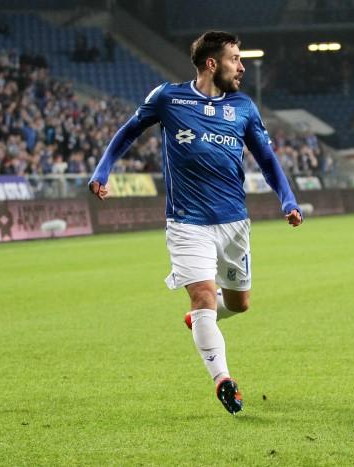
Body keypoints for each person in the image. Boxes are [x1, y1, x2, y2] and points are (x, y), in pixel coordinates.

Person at [88, 31, 303, 414]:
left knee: (239, 303)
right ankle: (223, 380)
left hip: (234, 223)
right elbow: (128, 131)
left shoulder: (243, 107)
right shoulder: (168, 98)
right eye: (235, 59)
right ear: (211, 63)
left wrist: (287, 198)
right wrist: (103, 170)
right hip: (187, 222)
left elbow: (267, 159)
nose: (242, 67)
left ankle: (201, 318)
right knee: (204, 296)